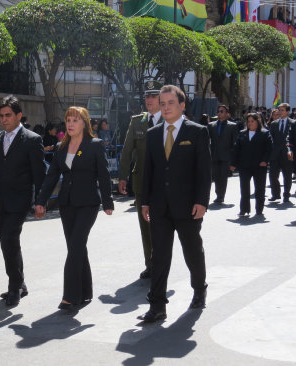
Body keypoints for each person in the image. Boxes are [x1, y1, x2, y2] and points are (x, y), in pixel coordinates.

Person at [139, 85, 211, 323]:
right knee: (159, 256)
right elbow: (148, 170)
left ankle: (199, 289)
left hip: (188, 206)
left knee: (192, 251)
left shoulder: (197, 132)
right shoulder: (152, 134)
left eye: (170, 103)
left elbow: (204, 171)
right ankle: (157, 305)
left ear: (182, 105)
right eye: (162, 103)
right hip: (159, 207)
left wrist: (202, 201)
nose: (166, 107)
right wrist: (145, 201)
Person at [35, 106, 113, 310]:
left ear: (84, 123)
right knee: (76, 247)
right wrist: (41, 201)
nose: (70, 124)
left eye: (75, 120)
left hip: (88, 203)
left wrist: (107, 201)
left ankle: (70, 296)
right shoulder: (61, 146)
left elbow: (103, 174)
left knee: (76, 246)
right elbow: (52, 175)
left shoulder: (94, 145)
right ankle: (85, 291)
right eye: (68, 120)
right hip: (67, 204)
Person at [0, 95, 46, 306]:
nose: (4, 120)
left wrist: (40, 201)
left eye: (8, 115)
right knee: (8, 245)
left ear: (18, 115)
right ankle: (20, 283)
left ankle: (14, 288)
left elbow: (39, 174)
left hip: (20, 201)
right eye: (1, 116)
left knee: (9, 240)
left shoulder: (32, 139)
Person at [118, 80, 163, 279]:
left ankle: (162, 262)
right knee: (145, 225)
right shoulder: (138, 121)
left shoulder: (170, 120)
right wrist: (122, 176)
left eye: (153, 96)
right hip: (141, 181)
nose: (149, 100)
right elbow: (127, 150)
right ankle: (150, 263)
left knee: (161, 225)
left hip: (163, 183)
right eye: (147, 96)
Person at [230, 113, 273, 216]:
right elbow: (236, 149)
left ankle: (259, 209)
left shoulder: (265, 133)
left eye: (252, 121)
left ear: (257, 122)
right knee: (244, 189)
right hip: (244, 166)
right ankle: (244, 209)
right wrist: (233, 163)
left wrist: (265, 161)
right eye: (248, 121)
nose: (250, 123)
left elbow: (269, 149)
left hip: (259, 166)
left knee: (259, 189)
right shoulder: (242, 133)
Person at [208, 105, 238, 204]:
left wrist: (233, 160)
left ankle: (221, 196)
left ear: (227, 114)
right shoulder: (211, 125)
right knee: (216, 176)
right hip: (215, 156)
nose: (219, 113)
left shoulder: (232, 126)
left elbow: (235, 143)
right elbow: (208, 141)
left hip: (226, 156)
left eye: (222, 111)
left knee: (223, 177)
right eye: (218, 111)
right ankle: (218, 194)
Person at [268, 103, 294, 203]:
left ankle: (286, 194)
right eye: (279, 110)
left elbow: (293, 139)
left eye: (282, 110)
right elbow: (271, 138)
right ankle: (276, 194)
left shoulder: (293, 123)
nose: (280, 112)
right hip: (275, 154)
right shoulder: (274, 123)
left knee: (287, 176)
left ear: (287, 111)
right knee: (273, 175)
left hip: (287, 154)